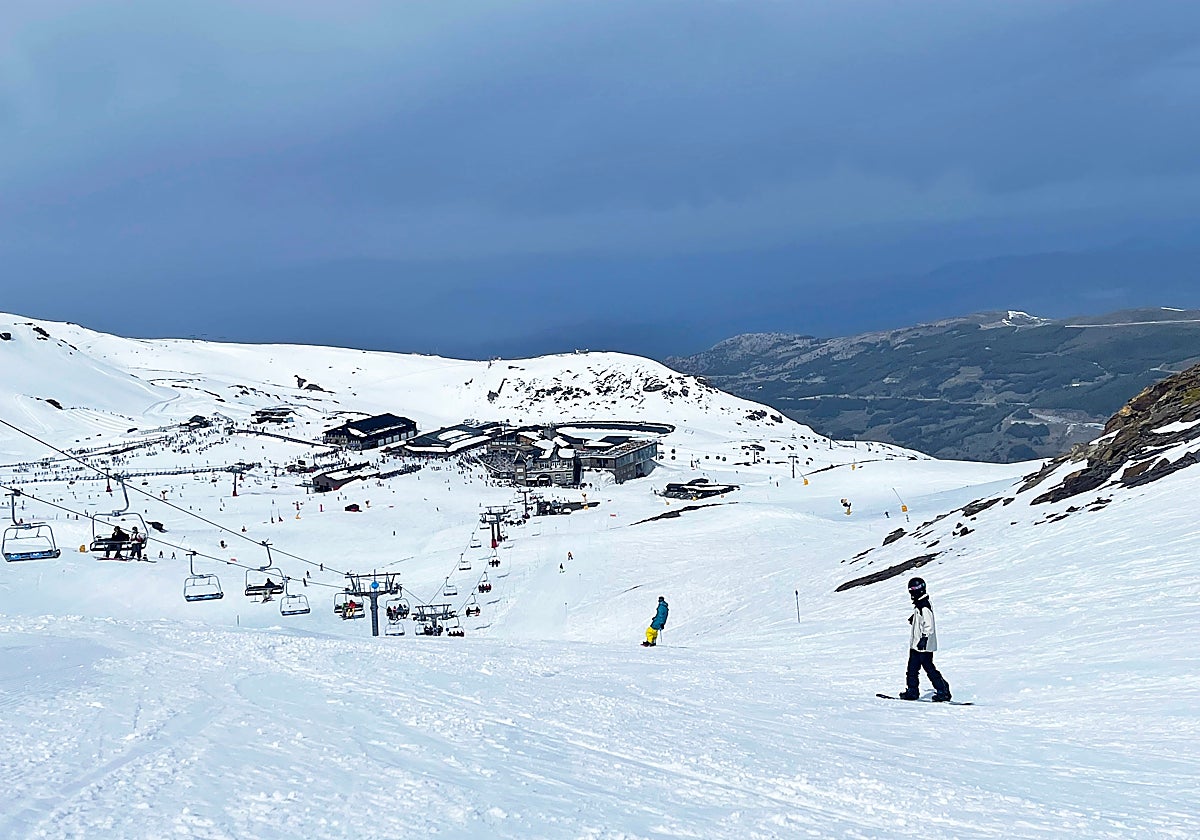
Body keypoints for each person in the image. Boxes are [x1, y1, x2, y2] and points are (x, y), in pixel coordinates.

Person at [899, 577, 951, 701]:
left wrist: (924, 639)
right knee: (912, 669)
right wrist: (915, 618)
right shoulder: (919, 605)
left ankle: (943, 691)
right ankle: (912, 691)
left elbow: (929, 625)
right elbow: (923, 620)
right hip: (916, 645)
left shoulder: (924, 605)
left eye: (913, 589)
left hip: (924, 645)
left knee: (928, 668)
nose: (911, 592)